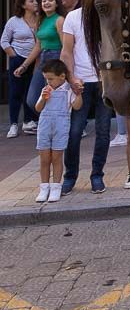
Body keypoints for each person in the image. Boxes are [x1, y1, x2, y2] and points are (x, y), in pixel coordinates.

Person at [61, 0, 113, 195]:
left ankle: (97, 175)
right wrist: (71, 77)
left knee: (103, 132)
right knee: (74, 132)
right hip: (80, 82)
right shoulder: (73, 17)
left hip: (103, 81)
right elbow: (66, 51)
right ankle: (70, 176)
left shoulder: (107, 16)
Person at [33, 59, 82, 203]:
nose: (48, 82)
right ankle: (44, 188)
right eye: (46, 79)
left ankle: (56, 187)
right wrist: (43, 98)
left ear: (62, 76)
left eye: (51, 79)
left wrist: (78, 94)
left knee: (56, 158)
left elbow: (77, 106)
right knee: (44, 158)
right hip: (44, 126)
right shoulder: (46, 89)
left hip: (60, 127)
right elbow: (38, 108)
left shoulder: (68, 90)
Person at [1, 0, 39, 137]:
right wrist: (14, 56)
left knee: (30, 92)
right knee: (15, 92)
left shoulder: (39, 20)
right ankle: (13, 124)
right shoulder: (14, 21)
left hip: (34, 60)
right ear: (23, 5)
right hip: (18, 59)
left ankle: (28, 122)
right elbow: (4, 41)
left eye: (35, 0)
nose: (35, 3)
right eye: (31, 1)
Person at [24, 0, 64, 119]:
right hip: (42, 61)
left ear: (56, 4)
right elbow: (38, 46)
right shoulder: (40, 21)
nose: (46, 2)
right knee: (32, 99)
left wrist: (63, 66)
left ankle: (60, 125)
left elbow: (65, 45)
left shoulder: (59, 20)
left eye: (50, 0)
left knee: (55, 98)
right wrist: (24, 65)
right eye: (44, 1)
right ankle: (48, 122)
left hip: (55, 59)